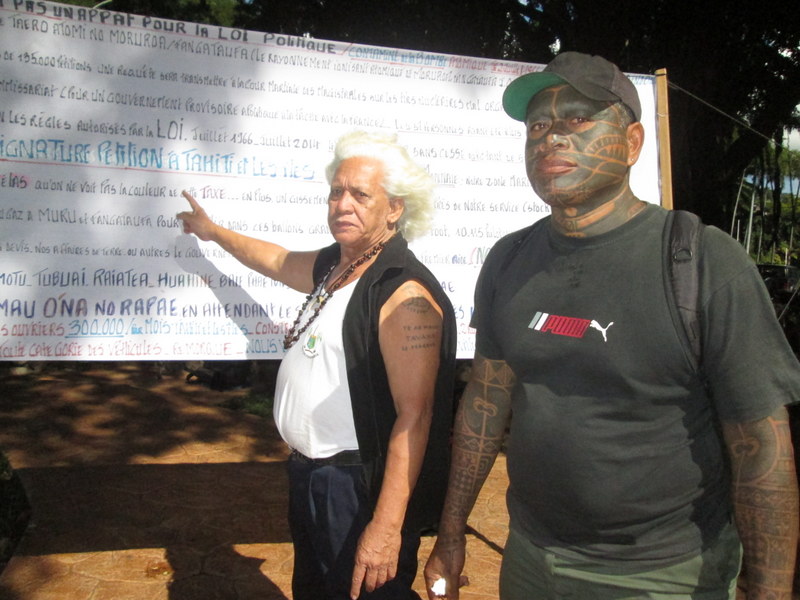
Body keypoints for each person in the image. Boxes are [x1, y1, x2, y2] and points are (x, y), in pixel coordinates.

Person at [424, 51, 800, 600]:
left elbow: (762, 452)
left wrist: (767, 592)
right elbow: (486, 400)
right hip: (530, 559)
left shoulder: (704, 263)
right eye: (538, 126)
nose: (551, 138)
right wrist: (452, 530)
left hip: (664, 574)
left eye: (578, 119)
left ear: (631, 143)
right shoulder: (510, 259)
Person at [177, 130, 456, 600]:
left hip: (356, 488)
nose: (342, 204)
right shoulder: (337, 266)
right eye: (336, 191)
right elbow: (274, 259)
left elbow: (416, 416)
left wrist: (386, 528)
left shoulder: (403, 294)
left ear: (395, 208)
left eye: (361, 194)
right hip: (310, 477)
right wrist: (212, 232)